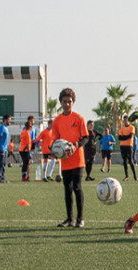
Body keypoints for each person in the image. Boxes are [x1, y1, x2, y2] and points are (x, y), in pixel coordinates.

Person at [52, 88, 89, 228]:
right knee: (67, 189)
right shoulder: (56, 121)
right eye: (64, 102)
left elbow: (85, 138)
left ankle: (80, 219)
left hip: (78, 159)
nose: (67, 104)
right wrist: (54, 151)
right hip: (65, 161)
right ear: (60, 102)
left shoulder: (79, 118)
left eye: (70, 102)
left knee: (77, 187)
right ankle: (70, 219)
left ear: (73, 102)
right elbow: (56, 141)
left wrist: (76, 146)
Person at [118, 115, 138, 181]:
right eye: (124, 120)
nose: (125, 121)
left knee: (130, 160)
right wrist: (125, 137)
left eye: (126, 120)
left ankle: (135, 176)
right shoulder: (122, 128)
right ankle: (126, 176)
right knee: (124, 161)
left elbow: (130, 136)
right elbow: (119, 138)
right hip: (122, 146)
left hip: (129, 146)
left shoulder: (132, 127)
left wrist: (124, 137)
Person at [0, 114, 11, 183]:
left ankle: (2, 177)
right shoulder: (2, 127)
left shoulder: (6, 128)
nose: (10, 121)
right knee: (0, 164)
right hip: (1, 148)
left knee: (4, 164)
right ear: (5, 120)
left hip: (5, 149)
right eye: (9, 120)